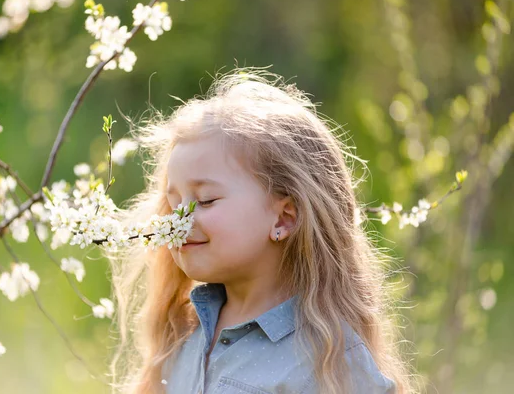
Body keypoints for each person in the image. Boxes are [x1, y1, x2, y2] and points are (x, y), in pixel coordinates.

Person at [106, 68, 416, 394]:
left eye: (206, 200)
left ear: (284, 218)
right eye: (174, 202)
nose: (177, 222)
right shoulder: (180, 337)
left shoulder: (330, 363)